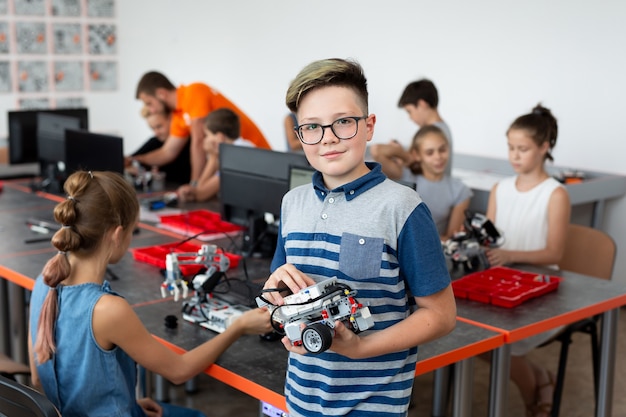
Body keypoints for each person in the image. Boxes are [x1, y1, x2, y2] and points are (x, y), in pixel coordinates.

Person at [262, 58, 456, 416]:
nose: (329, 138)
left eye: (343, 122)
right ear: (299, 134)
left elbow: (441, 315)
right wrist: (275, 296)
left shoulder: (402, 207)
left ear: (368, 127)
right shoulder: (293, 203)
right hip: (301, 398)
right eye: (312, 127)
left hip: (372, 404)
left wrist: (360, 348)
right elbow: (277, 302)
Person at [28, 170, 272, 417]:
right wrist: (238, 326)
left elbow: (39, 379)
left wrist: (124, 403)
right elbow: (180, 371)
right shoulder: (107, 309)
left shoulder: (43, 283)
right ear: (116, 234)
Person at [485, 104, 570, 417]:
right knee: (471, 335)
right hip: (503, 285)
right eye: (510, 148)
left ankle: (533, 389)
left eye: (523, 149)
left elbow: (554, 254)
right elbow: (490, 241)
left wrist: (510, 255)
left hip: (541, 291)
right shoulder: (500, 188)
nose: (514, 156)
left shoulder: (555, 194)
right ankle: (539, 380)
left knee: (496, 344)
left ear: (544, 148)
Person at [131, 71, 270, 186]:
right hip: (232, 164)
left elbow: (198, 141)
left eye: (149, 103)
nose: (151, 110)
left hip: (255, 157)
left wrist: (195, 184)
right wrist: (136, 159)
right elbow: (167, 152)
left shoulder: (193, 91)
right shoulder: (178, 115)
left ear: (161, 93)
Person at [369, 79, 453, 179]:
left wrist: (399, 152)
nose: (410, 117)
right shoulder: (441, 128)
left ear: (422, 104)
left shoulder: (435, 132)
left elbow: (416, 163)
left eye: (409, 111)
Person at [405, 124, 472, 240]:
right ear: (417, 155)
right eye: (430, 152)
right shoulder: (405, 177)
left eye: (442, 150)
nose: (438, 157)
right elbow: (379, 152)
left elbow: (451, 238)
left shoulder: (459, 190)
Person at [177, 108, 254, 203]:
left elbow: (202, 193)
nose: (205, 140)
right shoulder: (243, 146)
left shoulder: (236, 156)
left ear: (219, 137)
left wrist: (213, 156)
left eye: (207, 135)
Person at [130, 106, 192, 185]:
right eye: (152, 128)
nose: (156, 133)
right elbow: (129, 160)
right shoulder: (154, 141)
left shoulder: (191, 142)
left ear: (171, 119)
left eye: (159, 126)